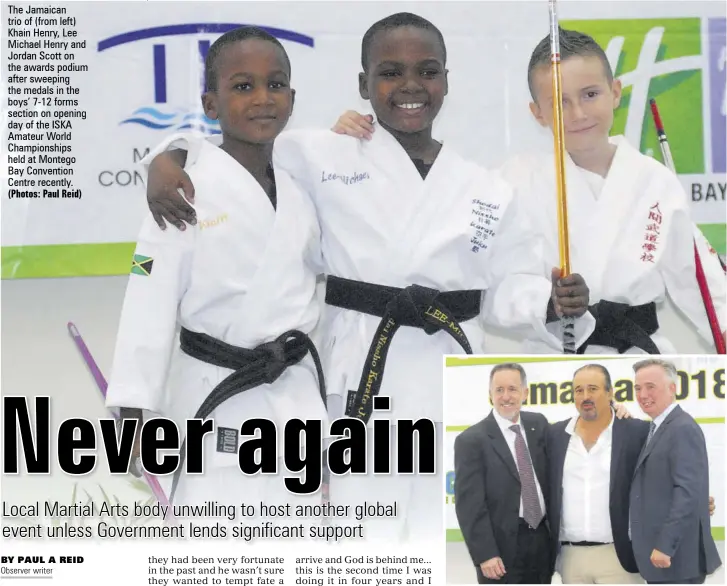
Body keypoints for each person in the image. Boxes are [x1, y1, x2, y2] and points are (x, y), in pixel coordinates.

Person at [137, 13, 592, 541]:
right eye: (390, 73)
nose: (410, 87)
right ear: (363, 84)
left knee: (432, 537)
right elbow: (231, 147)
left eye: (427, 71)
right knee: (359, 540)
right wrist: (165, 159)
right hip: (360, 378)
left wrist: (549, 301)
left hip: (446, 371)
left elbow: (506, 286)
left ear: (446, 80)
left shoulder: (484, 188)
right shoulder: (322, 154)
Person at [332, 28, 727, 354]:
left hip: (642, 365)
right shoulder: (508, 182)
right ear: (536, 112)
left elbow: (706, 288)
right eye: (559, 102)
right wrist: (548, 303)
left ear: (616, 92)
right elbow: (487, 285)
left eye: (590, 94)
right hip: (550, 368)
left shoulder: (655, 182)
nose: (577, 114)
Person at [105, 27, 327, 517]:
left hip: (295, 402)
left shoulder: (303, 185)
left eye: (276, 84)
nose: (262, 99)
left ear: (293, 97)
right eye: (243, 86)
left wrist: (171, 149)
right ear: (211, 103)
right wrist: (135, 414)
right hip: (212, 398)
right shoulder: (182, 191)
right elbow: (148, 300)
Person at [547, 364, 648, 584]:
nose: (585, 396)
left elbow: (658, 477)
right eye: (578, 390)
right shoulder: (555, 435)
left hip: (618, 557)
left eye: (593, 389)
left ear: (610, 393)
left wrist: (696, 500)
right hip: (571, 559)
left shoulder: (636, 432)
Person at [454, 363, 552, 584]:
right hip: (500, 551)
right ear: (490, 395)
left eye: (512, 389)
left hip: (541, 543)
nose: (506, 396)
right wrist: (485, 554)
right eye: (499, 390)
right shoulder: (471, 440)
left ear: (525, 393)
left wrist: (615, 411)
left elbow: (572, 434)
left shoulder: (540, 425)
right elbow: (469, 505)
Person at [629, 359, 721, 584]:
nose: (642, 394)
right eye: (638, 388)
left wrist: (664, 546)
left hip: (675, 561)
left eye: (651, 386)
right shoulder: (658, 427)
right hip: (664, 562)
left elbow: (687, 493)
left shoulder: (682, 428)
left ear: (672, 388)